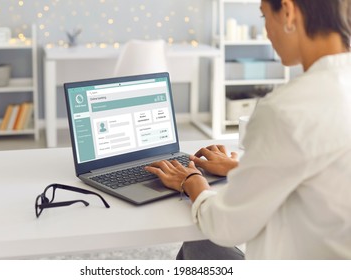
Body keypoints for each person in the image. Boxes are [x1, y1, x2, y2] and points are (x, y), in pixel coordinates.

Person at [145, 0, 351, 259]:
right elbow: (323, 175)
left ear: (287, 12)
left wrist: (191, 180)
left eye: (264, 16)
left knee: (199, 240)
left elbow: (225, 226)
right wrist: (241, 169)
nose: (266, 31)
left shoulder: (285, 109)